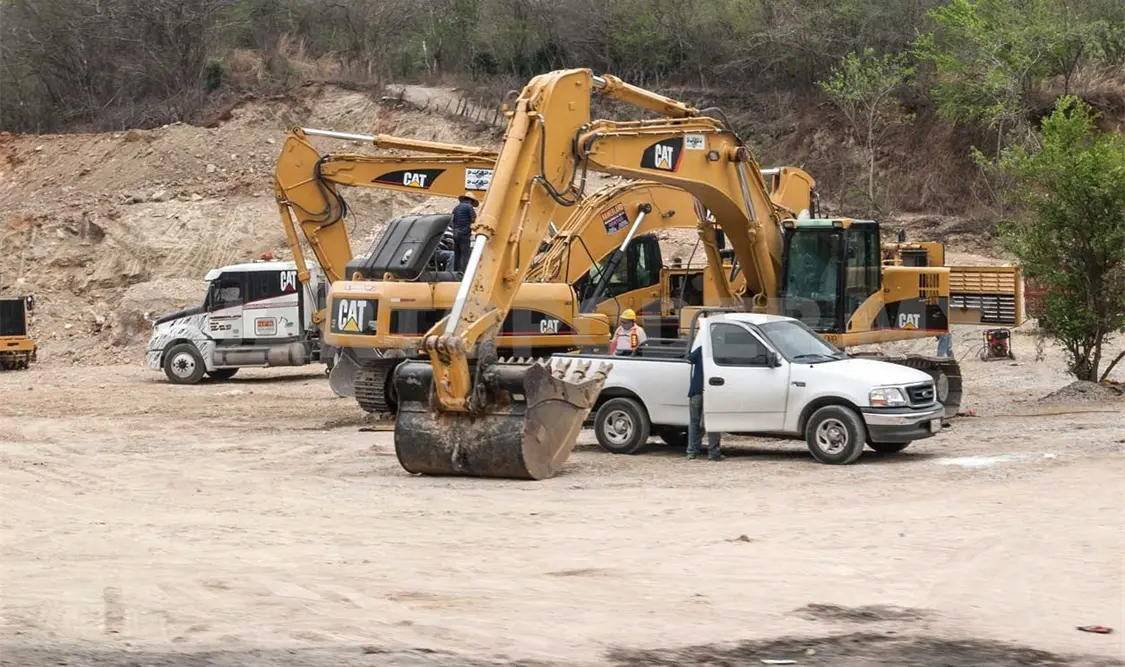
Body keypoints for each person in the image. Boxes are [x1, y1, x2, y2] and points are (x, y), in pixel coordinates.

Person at [686, 341, 722, 461]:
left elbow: (689, 358)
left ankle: (691, 452)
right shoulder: (720, 351)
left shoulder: (702, 349)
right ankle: (713, 452)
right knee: (714, 421)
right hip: (712, 390)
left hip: (696, 390)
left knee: (694, 423)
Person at [451, 192, 478, 272]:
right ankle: (463, 273)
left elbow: (452, 221)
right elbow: (474, 219)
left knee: (457, 254)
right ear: (470, 201)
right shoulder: (469, 207)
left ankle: (455, 272)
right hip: (464, 234)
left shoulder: (456, 208)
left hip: (455, 233)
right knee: (465, 254)